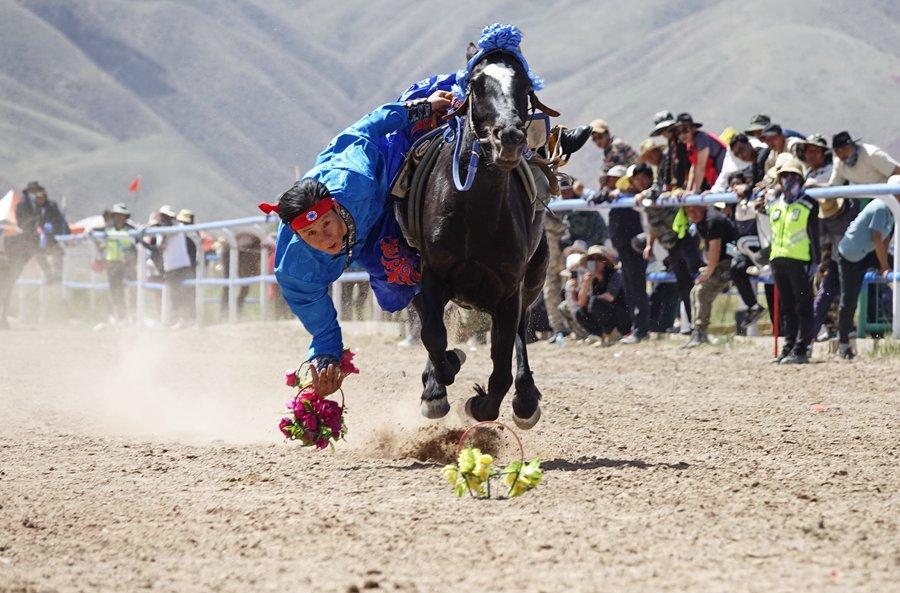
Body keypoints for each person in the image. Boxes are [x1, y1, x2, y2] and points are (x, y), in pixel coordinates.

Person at [266, 80, 456, 390]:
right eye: (311, 234)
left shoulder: (354, 176)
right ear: (299, 238)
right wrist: (326, 360)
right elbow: (321, 325)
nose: (324, 238)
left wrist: (423, 108)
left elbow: (367, 126)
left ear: (335, 208)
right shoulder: (295, 270)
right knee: (395, 290)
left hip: (383, 173)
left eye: (325, 224)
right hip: (367, 233)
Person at [760, 159, 820, 363]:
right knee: (787, 306)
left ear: (800, 179)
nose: (788, 180)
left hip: (800, 260)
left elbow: (814, 235)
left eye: (792, 176)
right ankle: (788, 347)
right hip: (778, 260)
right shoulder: (775, 204)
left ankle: (802, 348)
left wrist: (816, 261)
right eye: (784, 176)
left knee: (803, 305)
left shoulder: (809, 203)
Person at [834, 175, 899, 359]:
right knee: (849, 300)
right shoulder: (880, 207)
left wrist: (885, 266)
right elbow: (877, 239)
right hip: (851, 255)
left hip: (866, 252)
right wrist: (885, 267)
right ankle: (843, 342)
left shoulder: (892, 210)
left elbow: (885, 240)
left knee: (896, 267)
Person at [682, 204, 759, 347]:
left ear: (702, 206)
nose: (693, 214)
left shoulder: (712, 220)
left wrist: (708, 272)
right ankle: (698, 332)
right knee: (697, 291)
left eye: (695, 209)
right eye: (689, 211)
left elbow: (715, 249)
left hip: (731, 263)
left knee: (701, 290)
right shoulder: (702, 221)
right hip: (723, 263)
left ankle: (700, 332)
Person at [595, 164, 651, 343]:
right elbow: (596, 198)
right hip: (623, 250)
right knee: (630, 288)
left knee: (637, 288)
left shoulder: (639, 198)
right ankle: (636, 328)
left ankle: (641, 330)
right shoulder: (618, 197)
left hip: (635, 249)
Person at [574, 245, 630, 343]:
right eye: (591, 259)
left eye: (599, 259)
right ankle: (603, 336)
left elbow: (610, 297)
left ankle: (614, 333)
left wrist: (590, 302)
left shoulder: (615, 274)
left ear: (605, 261)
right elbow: (581, 303)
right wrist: (586, 284)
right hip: (604, 315)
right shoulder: (591, 279)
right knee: (580, 313)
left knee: (596, 302)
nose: (595, 262)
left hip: (621, 316)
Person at [157, 205, 196, 326]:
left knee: (188, 293)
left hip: (183, 265)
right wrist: (165, 235)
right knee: (175, 295)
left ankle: (190, 319)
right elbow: (160, 247)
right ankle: (180, 319)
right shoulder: (161, 232)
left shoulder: (180, 227)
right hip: (171, 267)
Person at [25, 182, 70, 284]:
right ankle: (49, 274)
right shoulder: (36, 209)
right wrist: (37, 229)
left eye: (42, 197)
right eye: (38, 197)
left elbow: (60, 221)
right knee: (38, 254)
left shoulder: (52, 207)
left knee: (58, 253)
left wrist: (64, 234)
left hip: (52, 238)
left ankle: (57, 275)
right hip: (41, 240)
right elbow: (34, 222)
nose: (40, 199)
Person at [820, 131, 900, 188]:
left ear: (853, 145)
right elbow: (833, 186)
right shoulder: (838, 163)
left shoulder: (872, 155)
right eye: (837, 151)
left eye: (844, 148)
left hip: (889, 195)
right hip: (865, 197)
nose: (842, 154)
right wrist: (814, 185)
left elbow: (897, 173)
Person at [675, 113, 726, 194]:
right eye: (678, 132)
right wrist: (688, 191)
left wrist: (695, 190)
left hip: (728, 177)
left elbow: (701, 166)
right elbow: (694, 167)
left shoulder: (702, 138)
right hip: (717, 181)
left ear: (693, 129)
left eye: (685, 130)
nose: (682, 135)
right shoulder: (690, 145)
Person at [102, 203, 136, 323]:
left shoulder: (130, 229)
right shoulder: (109, 229)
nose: (119, 218)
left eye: (121, 215)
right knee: (115, 290)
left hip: (126, 263)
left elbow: (135, 245)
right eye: (117, 215)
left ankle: (132, 314)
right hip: (112, 262)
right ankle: (120, 316)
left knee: (131, 288)